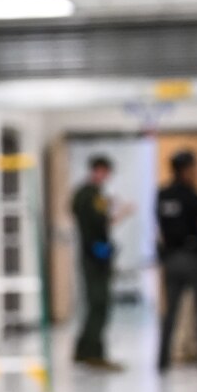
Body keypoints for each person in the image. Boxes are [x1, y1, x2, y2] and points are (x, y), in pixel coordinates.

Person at [72, 154, 125, 371]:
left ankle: (82, 350)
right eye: (104, 172)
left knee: (94, 305)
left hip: (91, 255)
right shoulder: (91, 195)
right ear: (98, 170)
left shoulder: (83, 194)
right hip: (95, 257)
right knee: (99, 305)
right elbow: (99, 224)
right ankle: (95, 354)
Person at [155, 149, 197, 372]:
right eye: (194, 167)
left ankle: (163, 360)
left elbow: (161, 230)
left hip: (170, 258)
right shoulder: (193, 197)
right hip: (192, 258)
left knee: (170, 312)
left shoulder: (162, 195)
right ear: (185, 170)